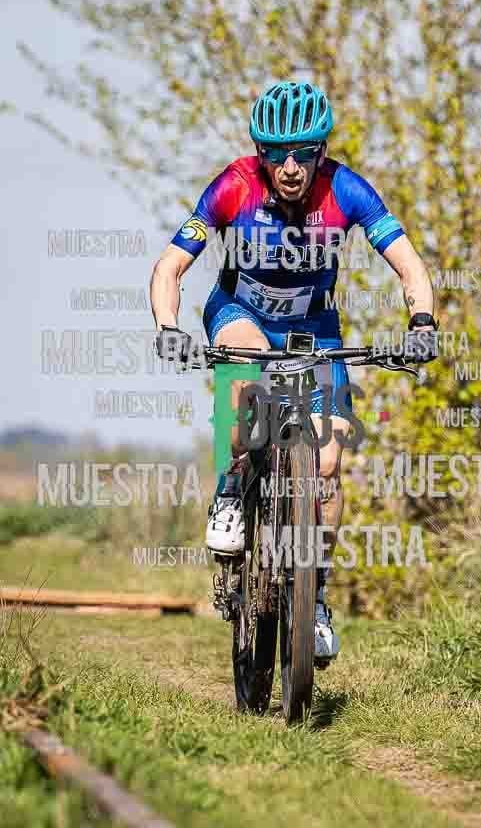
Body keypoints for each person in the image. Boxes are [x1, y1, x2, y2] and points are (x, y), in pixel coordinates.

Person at [151, 81, 436, 663]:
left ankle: (316, 597)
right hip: (240, 314)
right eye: (276, 152)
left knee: (328, 464)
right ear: (260, 152)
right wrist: (168, 327)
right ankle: (233, 488)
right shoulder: (233, 186)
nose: (289, 167)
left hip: (315, 330)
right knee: (248, 369)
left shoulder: (346, 190)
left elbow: (409, 264)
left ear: (321, 151)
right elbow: (171, 267)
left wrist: (422, 322)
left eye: (303, 153)